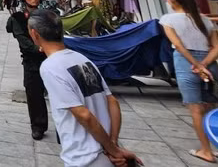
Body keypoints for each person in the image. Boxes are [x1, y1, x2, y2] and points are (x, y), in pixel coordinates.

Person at [28, 9, 142, 167]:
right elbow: (112, 101)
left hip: (83, 157)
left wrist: (113, 150)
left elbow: (84, 115)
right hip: (104, 152)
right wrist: (113, 144)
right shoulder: (82, 58)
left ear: (34, 34)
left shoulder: (50, 67)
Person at [161, 0, 218, 163]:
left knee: (196, 109)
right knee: (212, 107)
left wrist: (196, 64)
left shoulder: (168, 19)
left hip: (185, 64)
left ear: (173, 1)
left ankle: (206, 151)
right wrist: (203, 64)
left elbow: (179, 46)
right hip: (209, 64)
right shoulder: (205, 19)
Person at [6, 0, 48, 140]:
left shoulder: (47, 14)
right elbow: (22, 40)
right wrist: (39, 49)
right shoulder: (17, 18)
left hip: (51, 57)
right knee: (34, 94)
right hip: (32, 61)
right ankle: (38, 126)